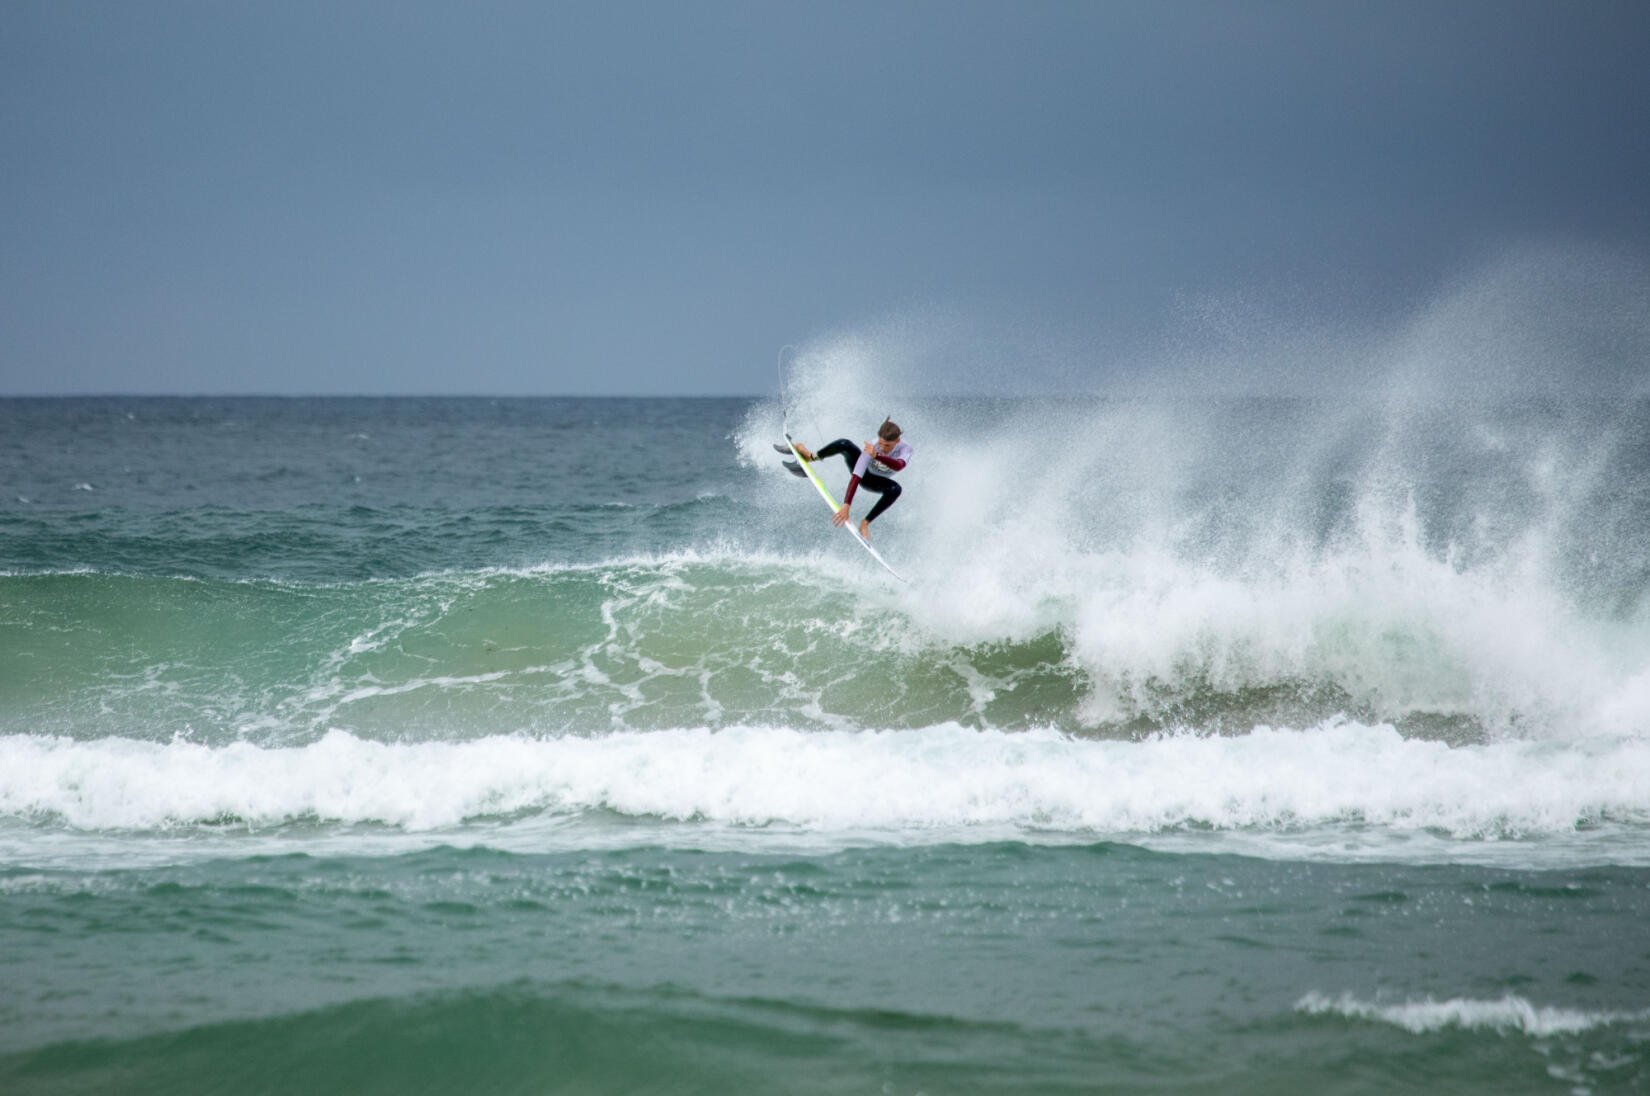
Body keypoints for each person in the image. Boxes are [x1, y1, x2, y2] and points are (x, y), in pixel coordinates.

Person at [788, 418, 912, 540]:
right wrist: (846, 505)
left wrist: (877, 456)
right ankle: (810, 457)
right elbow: (857, 475)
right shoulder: (872, 446)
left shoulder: (905, 449)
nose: (883, 448)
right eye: (881, 443)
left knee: (896, 489)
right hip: (864, 475)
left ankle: (865, 523)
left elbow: (899, 465)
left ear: (897, 440)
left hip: (875, 481)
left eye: (887, 445)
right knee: (844, 444)